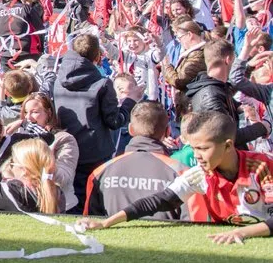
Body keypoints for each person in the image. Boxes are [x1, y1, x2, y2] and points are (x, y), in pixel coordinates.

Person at [78, 111, 273, 232]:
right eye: (194, 148)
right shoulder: (199, 175)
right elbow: (157, 201)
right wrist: (106, 223)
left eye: (203, 149)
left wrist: (241, 232)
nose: (197, 155)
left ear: (228, 146)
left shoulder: (263, 167)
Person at [53, 34, 140, 210]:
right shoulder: (102, 84)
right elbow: (115, 121)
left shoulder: (57, 81)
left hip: (67, 149)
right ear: (97, 56)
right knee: (94, 200)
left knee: (73, 199)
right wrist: (131, 101)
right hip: (94, 153)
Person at [83, 101, 190, 220]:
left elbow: (89, 223)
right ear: (168, 131)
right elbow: (196, 224)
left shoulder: (100, 173)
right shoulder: (183, 173)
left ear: (130, 129)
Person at [0, 138, 62, 213]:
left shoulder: (15, 191)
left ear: (24, 170)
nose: (10, 165)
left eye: (12, 162)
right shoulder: (56, 191)